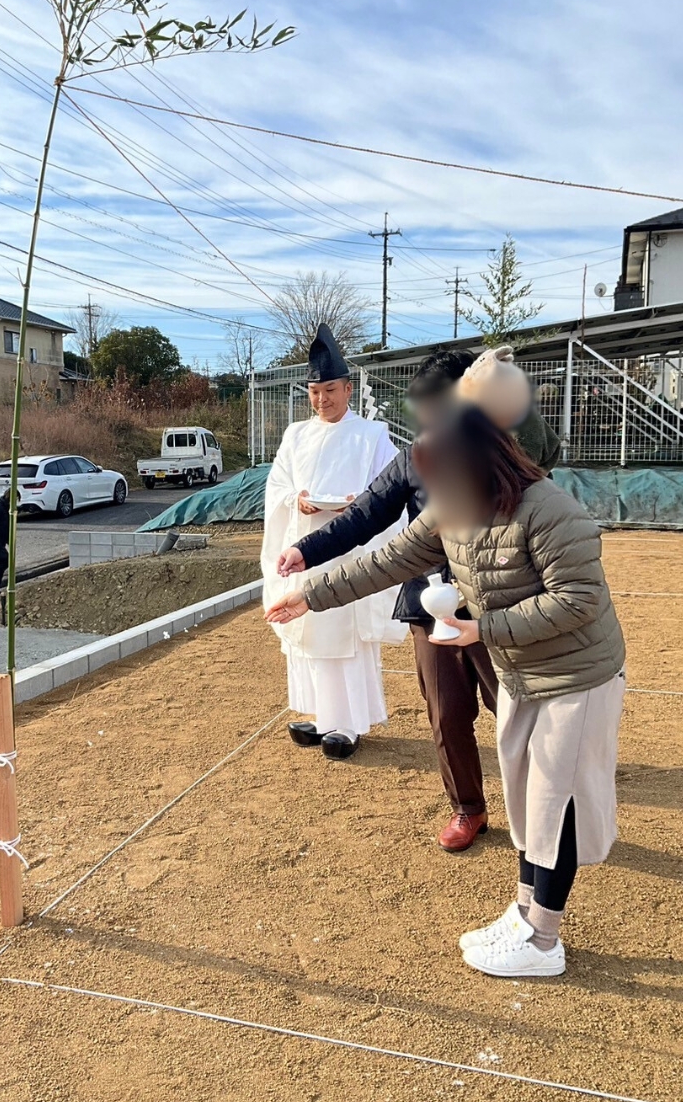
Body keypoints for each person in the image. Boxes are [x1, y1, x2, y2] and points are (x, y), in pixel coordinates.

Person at [267, 405, 625, 978]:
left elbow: (578, 599)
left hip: (575, 674)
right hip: (522, 671)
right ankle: (525, 910)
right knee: (528, 795)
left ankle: (542, 940)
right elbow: (390, 558)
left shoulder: (550, 509)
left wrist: (485, 630)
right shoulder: (452, 505)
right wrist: (312, 592)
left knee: (556, 800)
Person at [276, 347, 559, 852]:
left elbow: (546, 453)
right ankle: (468, 808)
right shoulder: (416, 459)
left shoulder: (511, 452)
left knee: (517, 710)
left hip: (501, 602)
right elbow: (364, 516)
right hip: (433, 602)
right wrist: (305, 549)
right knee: (446, 713)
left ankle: (547, 804)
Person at [261, 323, 407, 761]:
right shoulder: (296, 435)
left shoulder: (372, 436)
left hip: (350, 552)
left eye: (330, 390)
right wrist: (296, 500)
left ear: (348, 389)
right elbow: (277, 484)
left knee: (344, 634)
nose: (322, 399)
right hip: (303, 544)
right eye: (314, 391)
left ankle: (348, 723)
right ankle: (321, 715)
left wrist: (359, 504)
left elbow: (392, 490)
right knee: (305, 630)